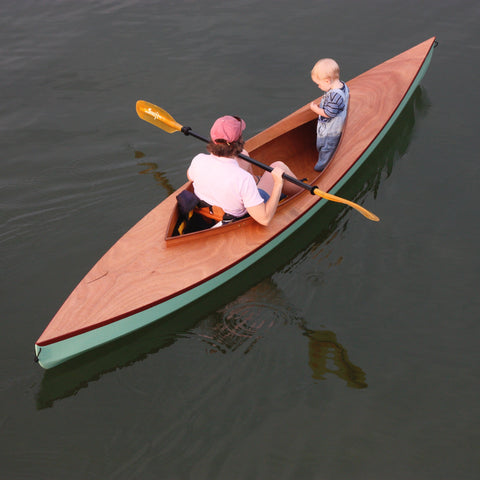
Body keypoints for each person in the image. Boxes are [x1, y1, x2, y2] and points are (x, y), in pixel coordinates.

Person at [187, 115, 301, 226]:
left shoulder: (198, 160)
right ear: (239, 142)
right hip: (240, 214)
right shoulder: (242, 179)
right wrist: (278, 184)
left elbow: (190, 177)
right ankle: (303, 194)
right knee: (278, 166)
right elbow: (264, 219)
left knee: (243, 154)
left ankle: (255, 183)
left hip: (211, 207)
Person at [309, 58, 350, 172]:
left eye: (319, 84)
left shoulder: (334, 96)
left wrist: (315, 109)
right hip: (335, 127)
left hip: (331, 131)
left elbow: (328, 113)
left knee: (326, 149)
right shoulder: (342, 85)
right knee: (327, 147)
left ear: (327, 81)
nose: (318, 87)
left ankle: (322, 167)